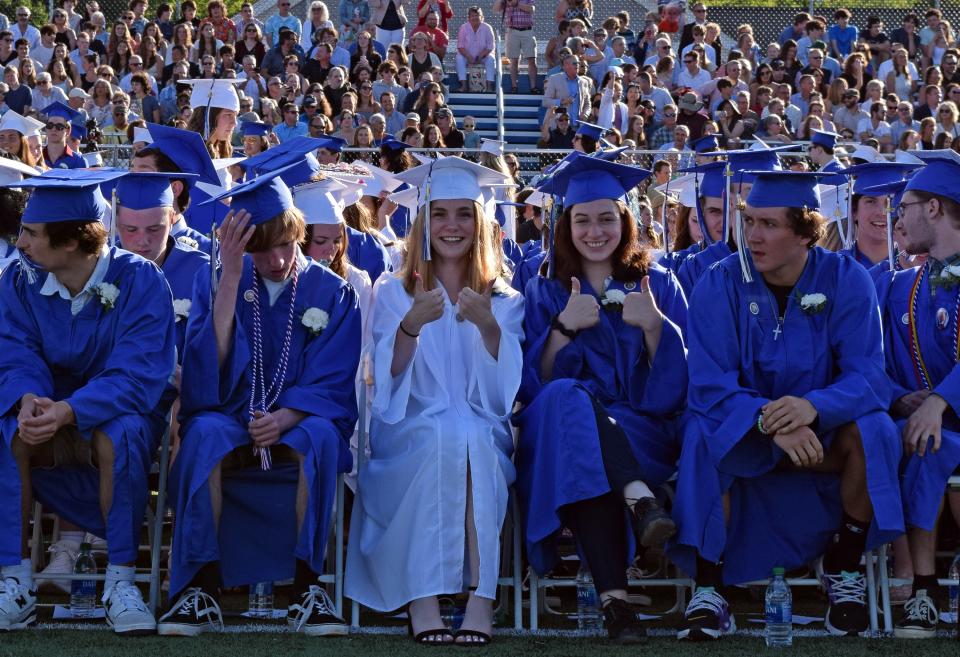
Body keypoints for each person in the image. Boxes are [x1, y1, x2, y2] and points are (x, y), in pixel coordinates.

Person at [670, 170, 905, 640]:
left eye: (770, 225)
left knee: (876, 429)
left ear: (805, 233)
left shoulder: (846, 279)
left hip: (822, 434)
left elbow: (868, 375)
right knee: (699, 431)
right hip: (745, 435)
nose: (752, 236)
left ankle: (843, 567)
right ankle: (710, 584)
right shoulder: (719, 283)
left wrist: (813, 409)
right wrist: (770, 420)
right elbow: (710, 382)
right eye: (749, 220)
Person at [159, 167, 360, 637]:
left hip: (296, 418)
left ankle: (308, 589)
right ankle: (200, 589)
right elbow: (208, 372)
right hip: (232, 416)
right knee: (204, 433)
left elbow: (333, 376)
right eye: (260, 249)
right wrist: (229, 277)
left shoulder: (330, 292)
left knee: (321, 435)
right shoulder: (218, 278)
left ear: (300, 234)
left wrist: (288, 414)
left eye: (286, 245)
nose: (276, 259)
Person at [346, 156, 522, 647]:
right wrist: (410, 325)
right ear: (423, 223)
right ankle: (422, 598)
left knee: (469, 437)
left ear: (480, 223)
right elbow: (384, 380)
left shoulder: (504, 298)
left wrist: (488, 325)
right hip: (408, 424)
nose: (452, 226)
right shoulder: (393, 290)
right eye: (440, 214)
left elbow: (501, 395)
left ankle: (480, 600)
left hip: (481, 425)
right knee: (439, 434)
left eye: (464, 214)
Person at [515, 153, 685, 643]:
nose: (595, 231)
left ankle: (615, 605)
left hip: (639, 428)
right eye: (582, 220)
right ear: (565, 227)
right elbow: (533, 386)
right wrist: (564, 328)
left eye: (606, 219)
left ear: (625, 221)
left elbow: (675, 391)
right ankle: (641, 499)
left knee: (586, 451)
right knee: (568, 399)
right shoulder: (543, 291)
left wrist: (655, 327)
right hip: (556, 427)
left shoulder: (658, 284)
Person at [0, 169, 176, 635]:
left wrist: (70, 410)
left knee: (119, 433)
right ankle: (14, 582)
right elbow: (14, 349)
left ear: (73, 242)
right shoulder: (19, 281)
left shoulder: (142, 281)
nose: (21, 244)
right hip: (47, 414)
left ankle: (121, 581)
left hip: (119, 417)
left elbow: (137, 373)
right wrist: (28, 400)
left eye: (33, 234)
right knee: (8, 430)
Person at [494, 0, 537, 94]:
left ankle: (533, 87)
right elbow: (496, 9)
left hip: (527, 30)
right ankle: (514, 86)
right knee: (514, 60)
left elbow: (531, 9)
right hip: (512, 31)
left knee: (531, 59)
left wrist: (517, 4)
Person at [454, 6, 495, 94]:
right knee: (459, 58)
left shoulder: (488, 28)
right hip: (466, 55)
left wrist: (481, 56)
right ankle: (463, 86)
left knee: (491, 60)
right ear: (468, 18)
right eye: (472, 15)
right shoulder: (463, 28)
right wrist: (468, 56)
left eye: (477, 15)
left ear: (482, 17)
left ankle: (489, 87)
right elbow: (460, 46)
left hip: (484, 55)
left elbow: (490, 46)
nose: (475, 17)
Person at [41, 101, 85, 169]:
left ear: (68, 130)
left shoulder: (78, 162)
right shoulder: (37, 157)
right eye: (50, 125)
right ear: (46, 128)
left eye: (59, 126)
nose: (53, 129)